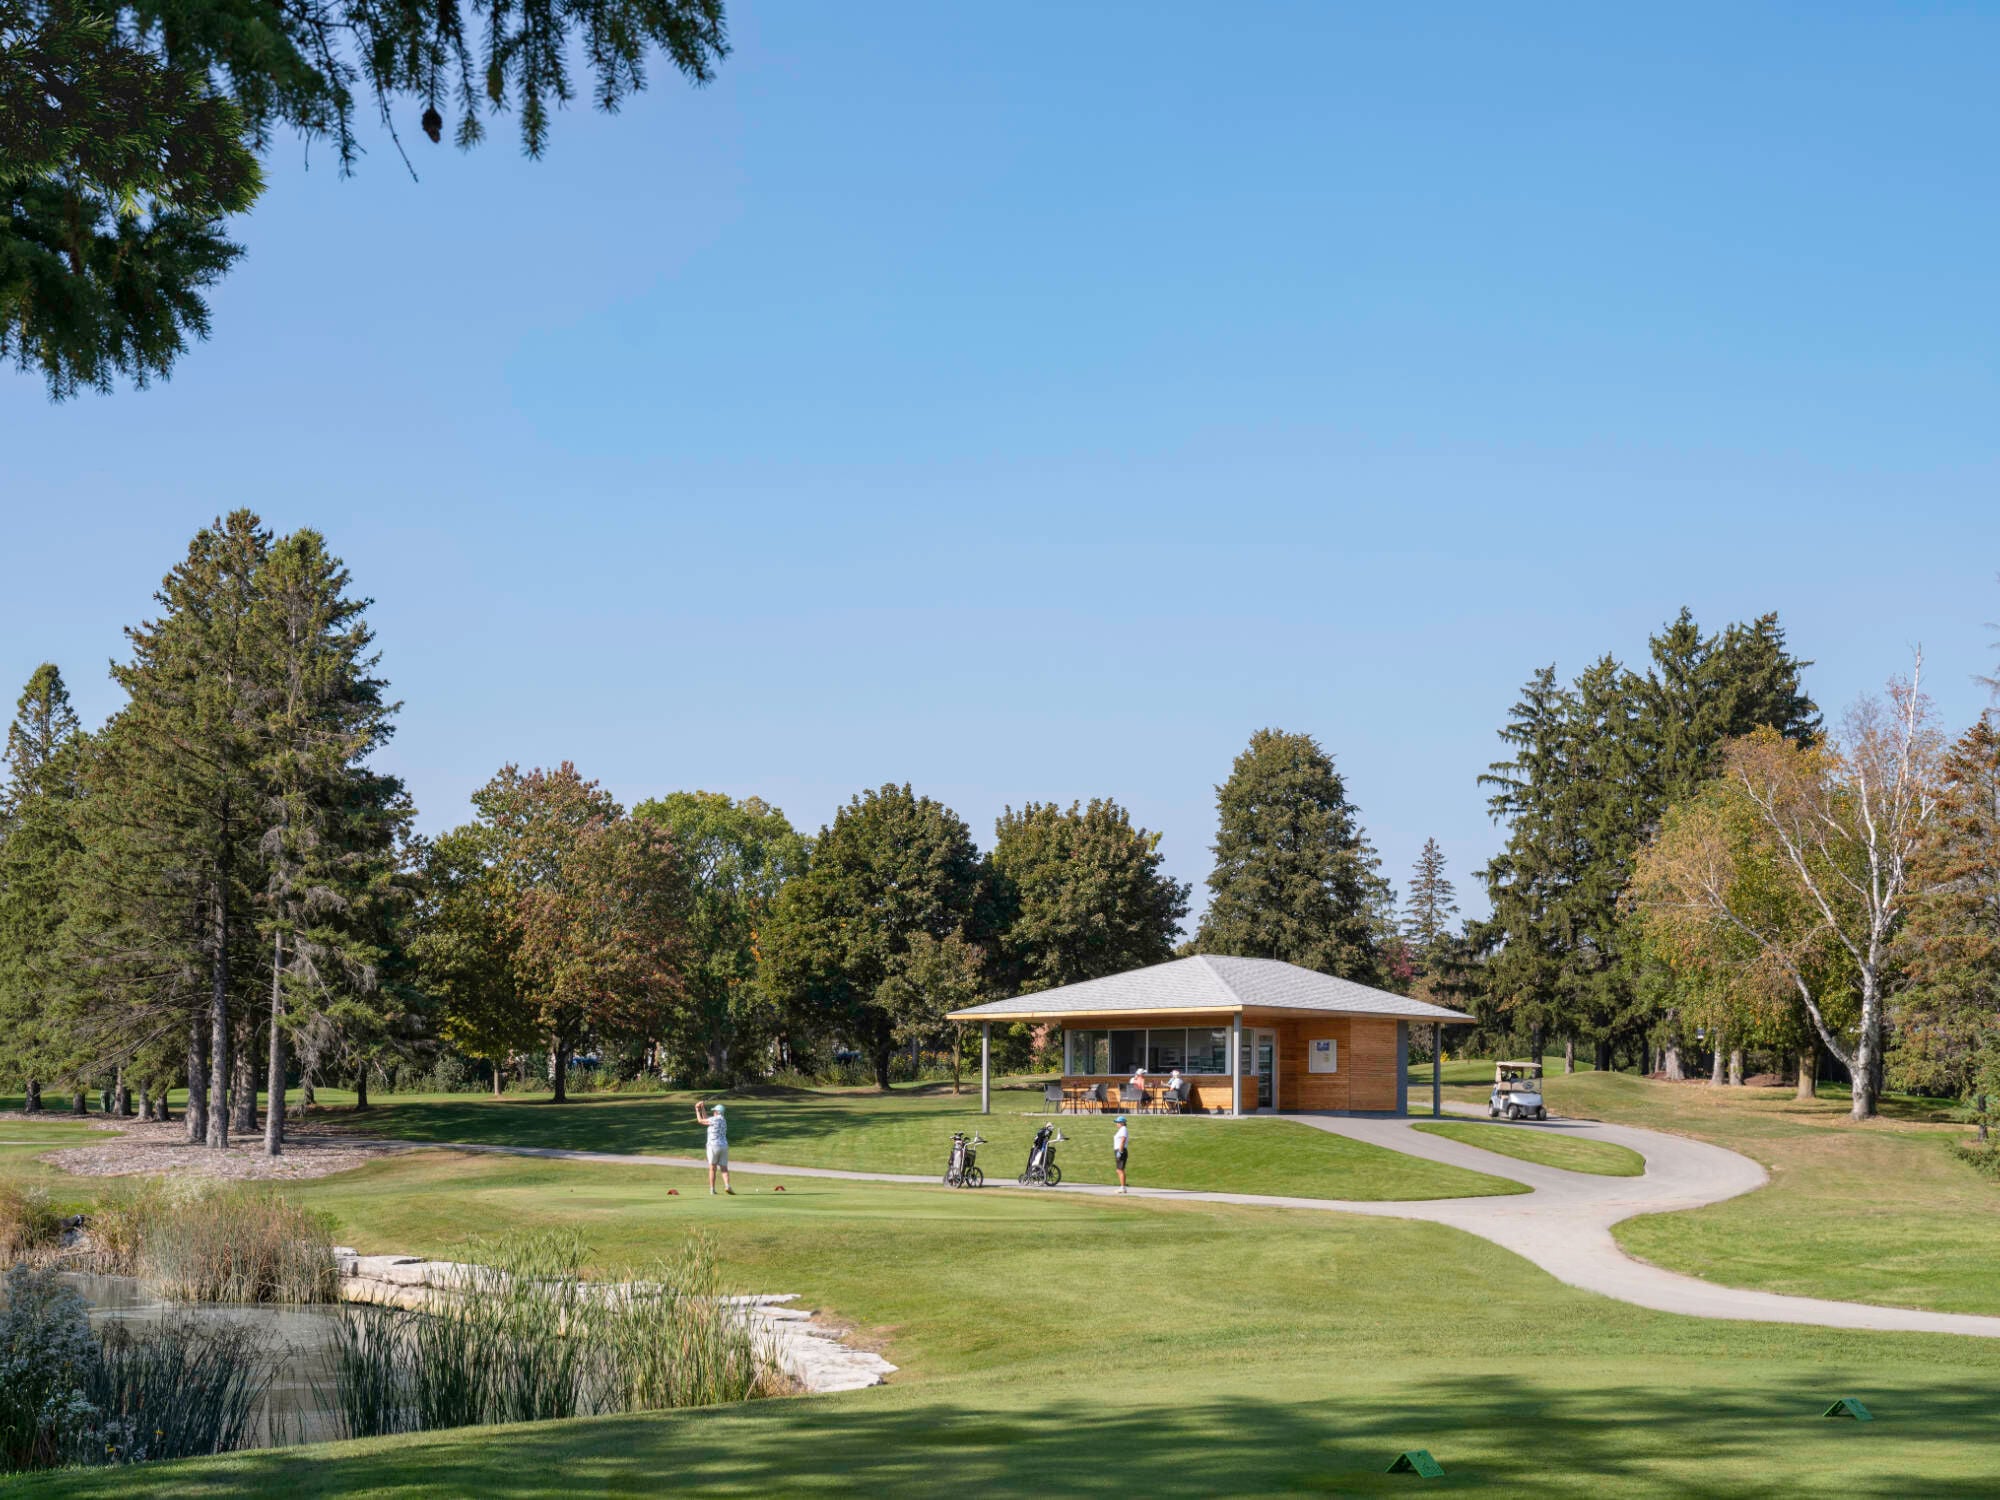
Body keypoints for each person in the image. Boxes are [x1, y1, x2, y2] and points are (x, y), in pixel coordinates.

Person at [695, 1099, 734, 1195]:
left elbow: (700, 1120)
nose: (713, 1112)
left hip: (713, 1146)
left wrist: (697, 1109)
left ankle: (712, 1189)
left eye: (714, 1111)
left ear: (717, 1112)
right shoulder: (723, 1120)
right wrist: (702, 1107)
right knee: (724, 1168)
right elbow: (707, 1118)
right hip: (724, 1146)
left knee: (712, 1168)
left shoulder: (714, 1119)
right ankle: (727, 1186)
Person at [1112, 1114, 1130, 1193]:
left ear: (1122, 1123)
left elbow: (1123, 1140)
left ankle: (1123, 1187)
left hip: (1121, 1150)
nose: (1117, 1124)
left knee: (1120, 1170)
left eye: (1118, 1122)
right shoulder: (1122, 1129)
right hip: (1119, 1150)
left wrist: (1120, 1151)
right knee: (1118, 1170)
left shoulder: (1123, 1129)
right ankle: (1123, 1186)